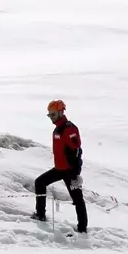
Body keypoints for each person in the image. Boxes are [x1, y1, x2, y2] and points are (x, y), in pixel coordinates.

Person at [31, 99, 89, 233]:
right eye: (49, 115)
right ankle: (40, 215)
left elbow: (76, 149)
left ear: (61, 112)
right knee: (40, 182)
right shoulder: (58, 129)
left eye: (53, 114)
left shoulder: (68, 129)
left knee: (77, 199)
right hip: (59, 169)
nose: (51, 117)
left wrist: (75, 172)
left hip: (69, 171)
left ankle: (82, 229)